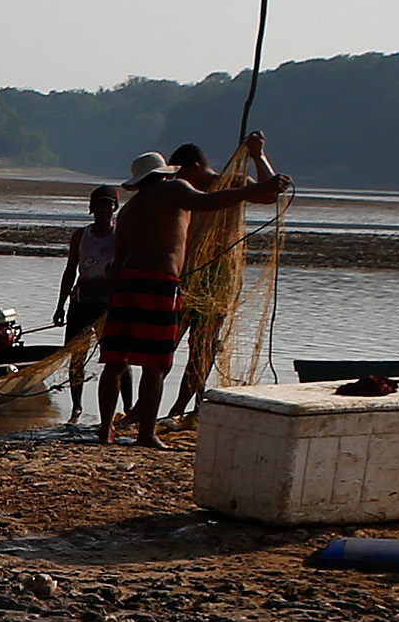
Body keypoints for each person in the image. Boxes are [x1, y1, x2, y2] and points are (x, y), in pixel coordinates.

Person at [99, 136, 289, 450]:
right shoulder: (174, 190)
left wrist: (112, 295)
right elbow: (207, 202)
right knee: (155, 362)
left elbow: (119, 258)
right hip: (161, 281)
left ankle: (105, 432)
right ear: (165, 174)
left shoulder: (129, 210)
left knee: (116, 360)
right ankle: (146, 433)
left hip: (128, 283)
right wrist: (251, 191)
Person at [165, 141, 271, 419]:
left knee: (202, 345)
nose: (177, 180)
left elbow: (268, 193)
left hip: (219, 275)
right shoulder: (185, 191)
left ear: (195, 167)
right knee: (167, 341)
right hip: (186, 273)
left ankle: (181, 407)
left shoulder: (233, 183)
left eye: (180, 173)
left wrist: (258, 156)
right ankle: (147, 406)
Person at [51, 185, 119, 426]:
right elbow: (70, 271)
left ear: (114, 208)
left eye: (107, 205)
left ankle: (127, 408)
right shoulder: (81, 236)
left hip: (108, 306)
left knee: (115, 358)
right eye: (98, 206)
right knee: (76, 357)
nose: (103, 210)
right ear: (91, 209)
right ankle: (77, 408)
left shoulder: (120, 236)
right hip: (80, 302)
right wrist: (60, 306)